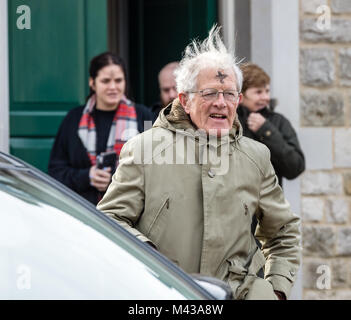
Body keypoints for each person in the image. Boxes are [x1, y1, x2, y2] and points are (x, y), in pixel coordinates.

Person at [97, 27, 301, 300]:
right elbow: (110, 220)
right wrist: (152, 260)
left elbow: (283, 233)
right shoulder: (144, 149)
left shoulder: (257, 155)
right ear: (185, 100)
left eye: (229, 94)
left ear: (239, 100)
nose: (221, 103)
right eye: (209, 93)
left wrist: (276, 290)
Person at [48, 52, 153, 205]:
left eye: (118, 80)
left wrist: (117, 179)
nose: (113, 87)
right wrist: (87, 177)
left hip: (130, 211)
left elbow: (156, 166)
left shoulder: (144, 116)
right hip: (83, 212)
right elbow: (55, 171)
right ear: (92, 83)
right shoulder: (74, 119)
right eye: (105, 81)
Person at [237, 63, 305, 187]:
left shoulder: (279, 122)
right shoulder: (229, 121)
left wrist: (266, 131)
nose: (265, 97)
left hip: (269, 203)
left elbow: (296, 167)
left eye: (267, 91)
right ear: (241, 95)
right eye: (258, 92)